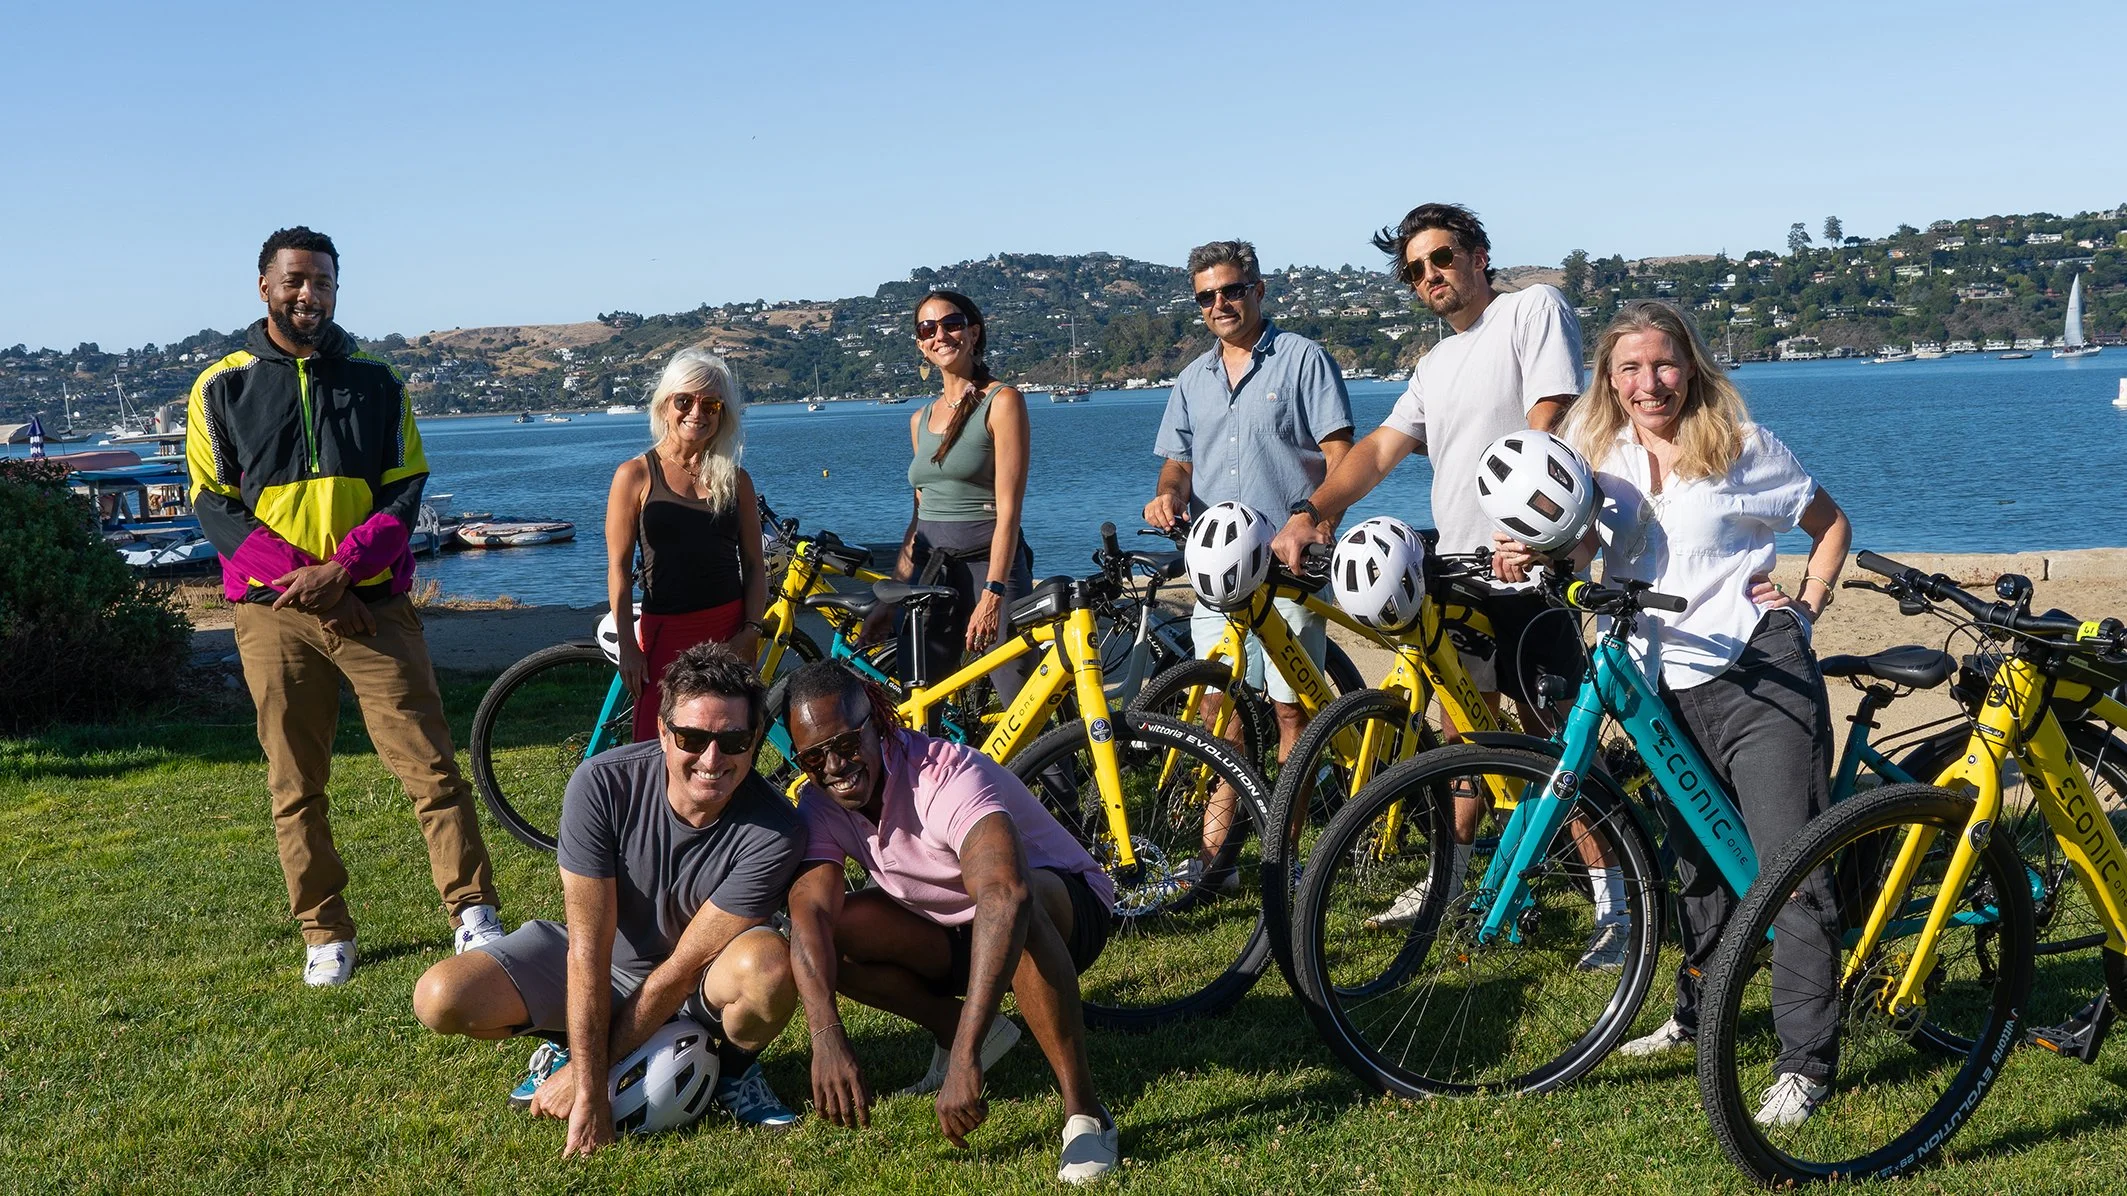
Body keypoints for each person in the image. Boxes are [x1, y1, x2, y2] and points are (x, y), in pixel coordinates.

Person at [1494, 299, 1853, 1128]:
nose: (1646, 382)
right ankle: (1696, 1012)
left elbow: (1828, 525)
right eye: (1628, 368)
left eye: (1661, 364)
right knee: (1694, 866)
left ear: (1689, 366)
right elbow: (1578, 544)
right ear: (1607, 379)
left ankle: (1804, 1063)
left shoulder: (1741, 448)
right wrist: (1530, 549)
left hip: (1756, 671)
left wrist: (1807, 603)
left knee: (1787, 870)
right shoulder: (1595, 455)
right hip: (1659, 681)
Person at [1269, 203, 1600, 938]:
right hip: (1456, 566)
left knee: (1551, 736)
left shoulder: (1529, 309)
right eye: (1416, 270)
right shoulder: (1433, 363)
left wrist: (1525, 520)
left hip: (1524, 566)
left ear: (1478, 255)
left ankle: (1616, 901)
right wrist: (1310, 510)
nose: (1431, 276)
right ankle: (1448, 880)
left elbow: (1550, 406)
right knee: (1461, 736)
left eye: (1442, 258)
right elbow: (1379, 449)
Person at [184, 226, 503, 988]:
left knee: (431, 769)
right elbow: (215, 506)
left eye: (322, 282)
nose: (308, 294)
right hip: (276, 614)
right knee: (295, 784)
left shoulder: (378, 380)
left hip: (371, 605)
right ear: (264, 286)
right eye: (294, 280)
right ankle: (325, 932)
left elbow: (405, 488)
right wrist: (312, 585)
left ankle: (473, 914)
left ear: (336, 289)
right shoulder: (219, 386)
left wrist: (345, 573)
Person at [411, 644, 807, 1153]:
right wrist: (586, 1070)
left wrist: (590, 1075)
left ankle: (731, 1071)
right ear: (663, 732)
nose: (713, 758)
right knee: (440, 997)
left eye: (734, 740)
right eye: (692, 737)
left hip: (699, 982)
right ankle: (566, 1046)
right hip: (604, 966)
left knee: (768, 966)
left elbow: (684, 967)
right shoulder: (600, 784)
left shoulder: (776, 829)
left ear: (755, 742)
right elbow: (587, 950)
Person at [780, 662, 1120, 1184]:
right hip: (955, 923)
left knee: (1014, 910)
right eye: (813, 756)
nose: (834, 766)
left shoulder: (945, 774)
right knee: (831, 934)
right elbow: (811, 915)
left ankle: (1086, 1112)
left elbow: (1005, 895)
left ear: (877, 720)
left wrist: (966, 1059)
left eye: (846, 744)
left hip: (1067, 908)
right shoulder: (820, 802)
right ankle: (962, 1030)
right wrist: (825, 1034)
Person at [1142, 239, 1354, 872]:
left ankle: (1280, 857)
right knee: (1219, 709)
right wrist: (1166, 498)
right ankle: (1216, 856)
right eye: (1206, 296)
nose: (1220, 304)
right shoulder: (1191, 378)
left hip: (1288, 569)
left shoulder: (1302, 359)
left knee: (1292, 708)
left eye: (1231, 290)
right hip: (1215, 570)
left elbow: (1341, 457)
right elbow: (1178, 463)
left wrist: (1315, 525)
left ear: (1259, 289)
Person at [861, 291, 1033, 695]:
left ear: (973, 333)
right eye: (927, 328)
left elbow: (1009, 511)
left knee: (1020, 699)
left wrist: (993, 593)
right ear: (921, 344)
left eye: (951, 324)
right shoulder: (919, 419)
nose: (940, 334)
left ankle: (1052, 761)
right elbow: (918, 517)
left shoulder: (1003, 401)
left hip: (987, 570)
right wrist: (891, 597)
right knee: (920, 700)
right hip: (929, 574)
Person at [603, 346, 769, 742]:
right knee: (657, 738)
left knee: (725, 739)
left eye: (710, 404)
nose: (697, 412)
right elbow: (618, 571)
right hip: (666, 631)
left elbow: (754, 563)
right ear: (665, 405)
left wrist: (750, 630)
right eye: (685, 400)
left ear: (722, 414)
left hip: (728, 630)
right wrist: (629, 644)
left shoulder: (736, 480)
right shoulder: (635, 475)